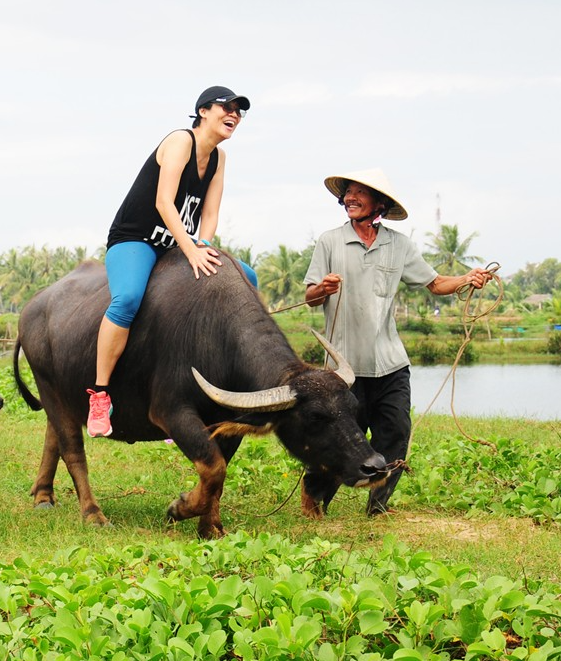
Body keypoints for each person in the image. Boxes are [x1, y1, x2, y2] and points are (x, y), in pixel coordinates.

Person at [303, 168, 491, 515]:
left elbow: (435, 283)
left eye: (360, 193)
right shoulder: (330, 241)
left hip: (390, 361)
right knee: (340, 438)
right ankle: (314, 499)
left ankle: (378, 505)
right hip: (344, 367)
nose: (350, 198)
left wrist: (467, 278)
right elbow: (311, 296)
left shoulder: (399, 245)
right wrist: (323, 288)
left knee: (396, 430)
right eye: (347, 193)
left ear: (380, 204)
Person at [87, 86, 259, 437]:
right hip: (135, 240)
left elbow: (210, 212)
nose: (234, 115)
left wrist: (204, 245)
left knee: (248, 277)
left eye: (239, 112)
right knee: (128, 299)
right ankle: (100, 394)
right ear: (203, 111)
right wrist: (191, 250)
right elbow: (165, 202)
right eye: (226, 107)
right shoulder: (181, 140)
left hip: (177, 246)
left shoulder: (220, 158)